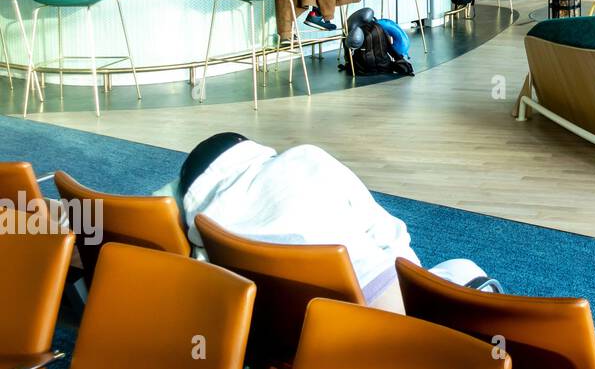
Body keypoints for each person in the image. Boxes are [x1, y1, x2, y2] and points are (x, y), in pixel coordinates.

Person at [168, 133, 500, 315]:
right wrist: (416, 282)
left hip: (302, 331)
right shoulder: (303, 158)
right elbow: (386, 230)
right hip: (380, 299)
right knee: (464, 268)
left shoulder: (206, 226)